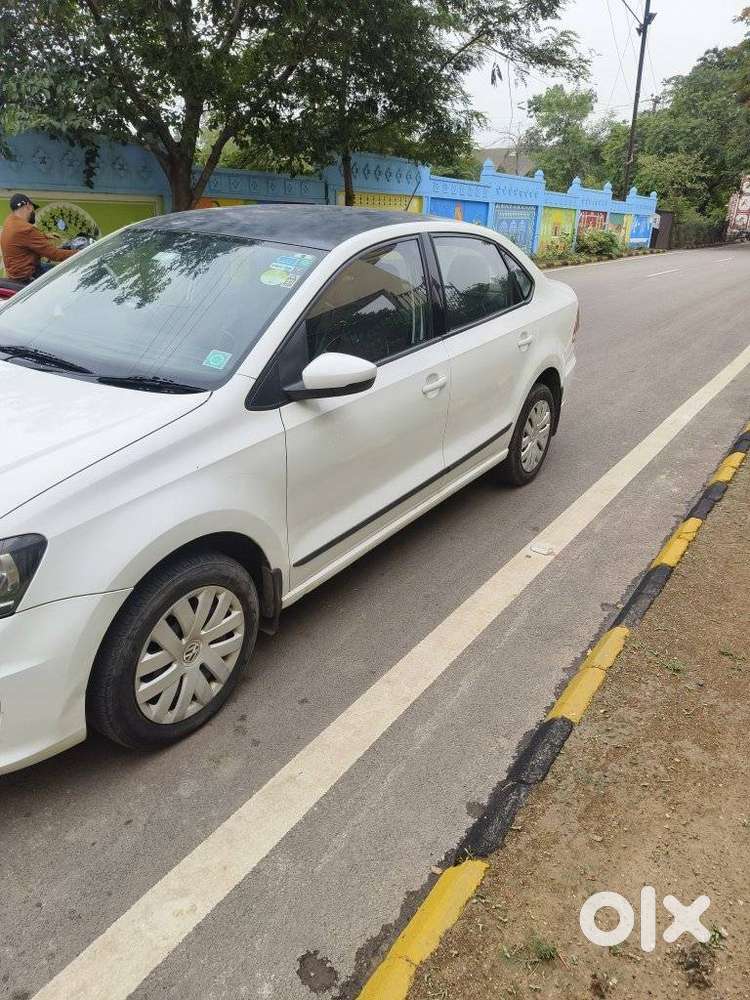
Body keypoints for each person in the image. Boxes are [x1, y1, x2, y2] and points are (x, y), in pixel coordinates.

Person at [1, 193, 77, 284]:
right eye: (34, 209)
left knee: (50, 267)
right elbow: (55, 255)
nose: (34, 213)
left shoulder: (9, 222)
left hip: (15, 275)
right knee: (66, 276)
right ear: (28, 206)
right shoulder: (26, 229)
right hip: (28, 277)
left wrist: (44, 236)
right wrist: (80, 252)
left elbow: (21, 240)